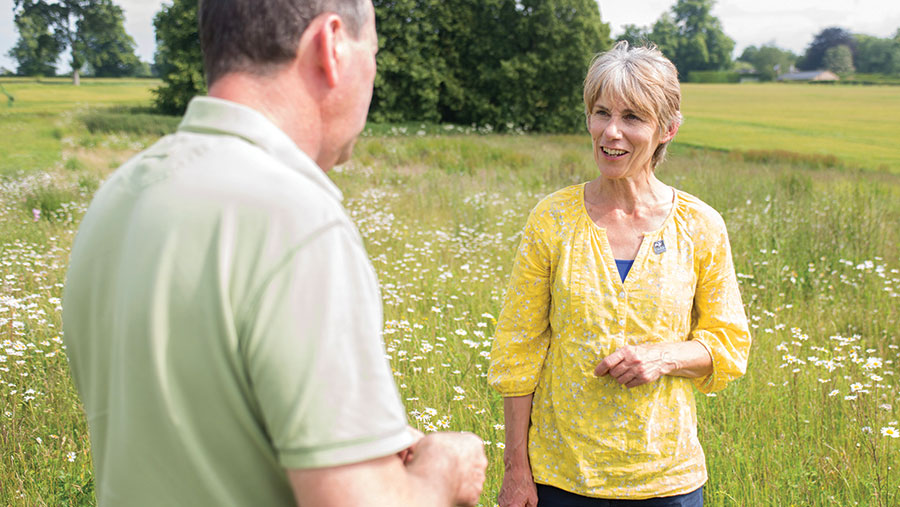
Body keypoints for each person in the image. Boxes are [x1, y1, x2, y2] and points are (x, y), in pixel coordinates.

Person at [61, 1, 486, 505]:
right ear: (331, 45)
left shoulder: (120, 195)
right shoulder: (297, 221)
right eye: (373, 50)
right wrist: (445, 472)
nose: (374, 75)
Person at [488, 41, 751, 507]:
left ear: (667, 130)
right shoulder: (552, 219)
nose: (611, 131)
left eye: (632, 117)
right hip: (560, 480)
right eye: (601, 112)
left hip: (669, 483)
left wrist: (664, 357)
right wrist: (516, 471)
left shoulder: (700, 225)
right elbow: (518, 351)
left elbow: (728, 344)